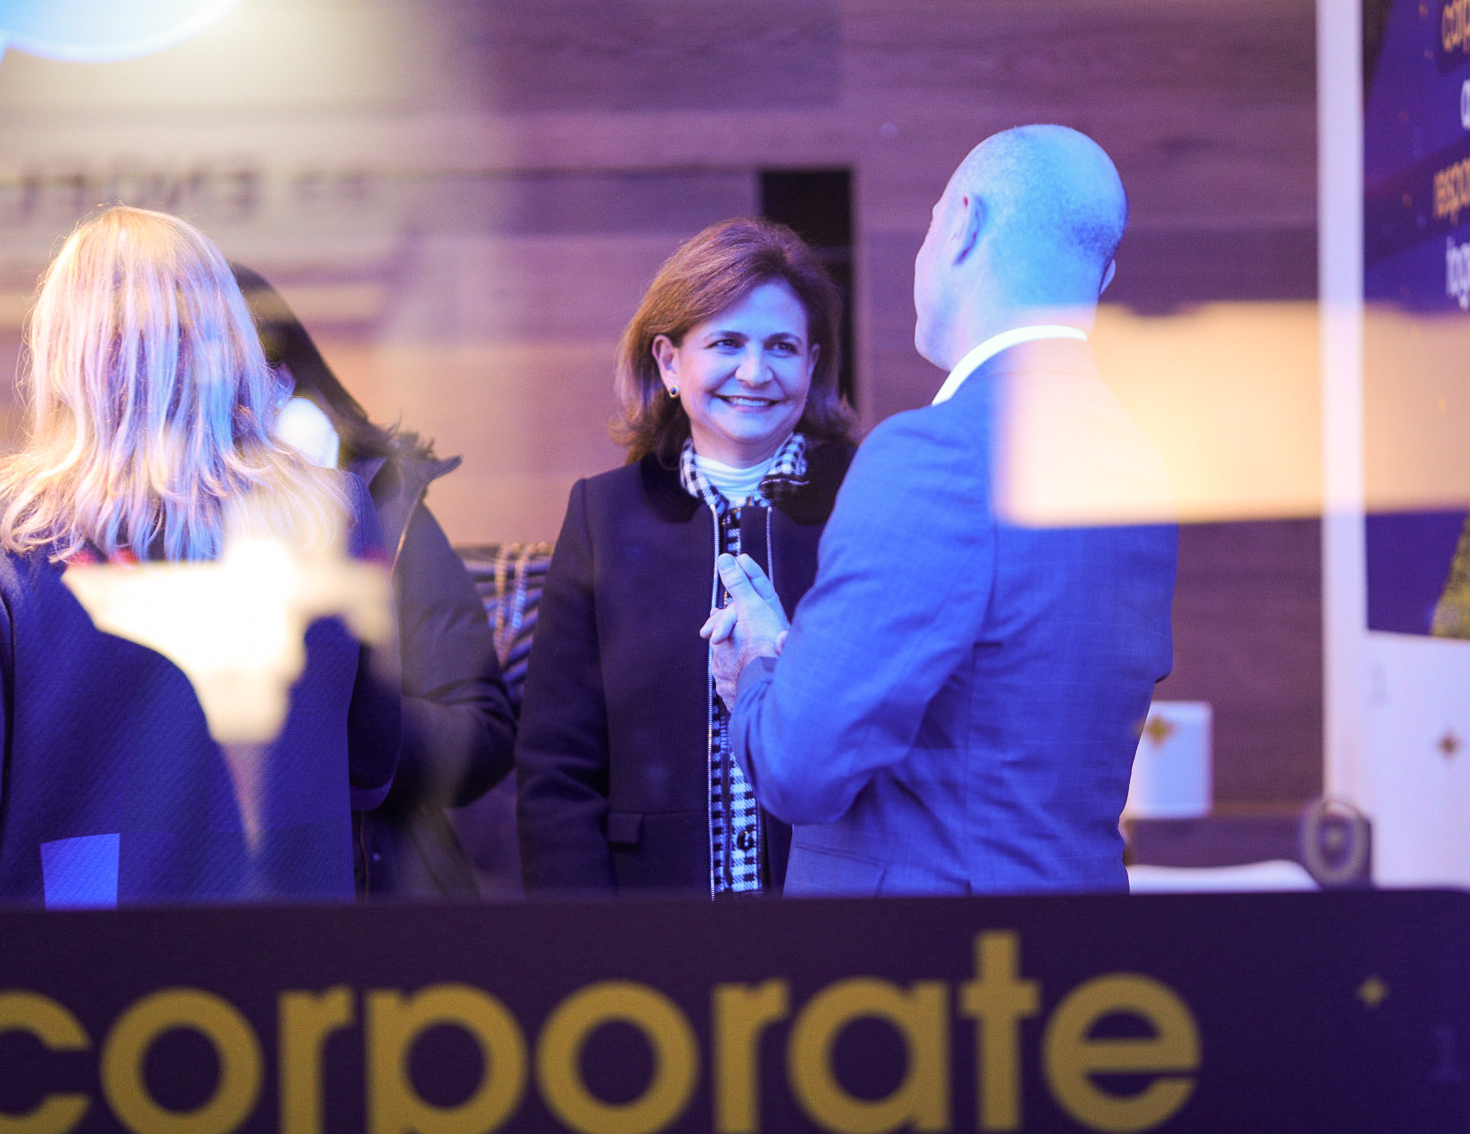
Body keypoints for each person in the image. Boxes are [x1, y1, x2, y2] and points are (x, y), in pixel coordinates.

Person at [0, 205, 399, 906]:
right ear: (228, 335)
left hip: (85, 962)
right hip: (290, 956)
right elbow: (371, 768)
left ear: (66, 355)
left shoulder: (5, 539)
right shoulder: (336, 514)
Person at [708, 125, 1177, 896]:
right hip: (1081, 939)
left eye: (928, 226)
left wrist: (759, 667)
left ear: (962, 223)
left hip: (936, 954)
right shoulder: (1138, 461)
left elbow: (798, 769)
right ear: (1103, 276)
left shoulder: (935, 455)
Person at [517, 218, 857, 896]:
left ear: (813, 364)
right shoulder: (603, 515)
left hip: (831, 906)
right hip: (649, 917)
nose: (755, 372)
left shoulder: (869, 501)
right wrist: (583, 937)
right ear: (669, 362)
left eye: (782, 347)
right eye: (727, 343)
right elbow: (557, 768)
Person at [234, 265, 517, 900]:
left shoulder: (381, 503)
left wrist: (331, 712)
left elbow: (481, 734)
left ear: (281, 380)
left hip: (367, 885)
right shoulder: (131, 531)